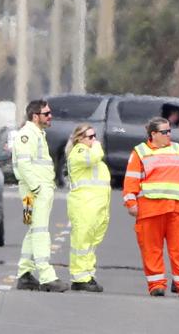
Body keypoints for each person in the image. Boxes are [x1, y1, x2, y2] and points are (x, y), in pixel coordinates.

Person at [122, 117, 179, 298]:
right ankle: (156, 285)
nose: (169, 135)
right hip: (150, 210)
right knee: (151, 249)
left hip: (177, 209)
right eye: (165, 132)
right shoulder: (140, 152)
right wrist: (130, 202)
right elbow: (131, 180)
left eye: (170, 131)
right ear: (153, 134)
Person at [14, 100, 68, 292]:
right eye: (46, 113)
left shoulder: (36, 134)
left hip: (33, 191)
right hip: (34, 191)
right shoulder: (27, 135)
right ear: (35, 116)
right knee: (40, 231)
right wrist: (37, 188)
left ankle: (25, 274)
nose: (50, 116)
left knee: (33, 230)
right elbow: (24, 165)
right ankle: (47, 276)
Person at [65, 124, 111, 292]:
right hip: (84, 204)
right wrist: (97, 146)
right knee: (82, 242)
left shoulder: (92, 154)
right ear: (79, 139)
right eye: (90, 137)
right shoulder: (79, 152)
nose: (94, 140)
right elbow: (93, 158)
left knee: (91, 243)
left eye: (95, 136)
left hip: (96, 206)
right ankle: (80, 277)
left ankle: (88, 274)